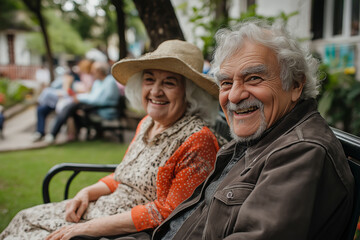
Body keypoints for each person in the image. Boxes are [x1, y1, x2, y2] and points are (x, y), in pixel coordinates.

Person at [120, 19, 353, 240]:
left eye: (253, 78)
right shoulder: (263, 135)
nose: (234, 96)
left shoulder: (301, 151)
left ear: (295, 85)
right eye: (227, 83)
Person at [0, 39, 226, 240]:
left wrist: (90, 228)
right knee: (25, 218)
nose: (155, 91)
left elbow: (168, 211)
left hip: (128, 230)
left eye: (169, 82)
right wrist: (87, 192)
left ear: (190, 93)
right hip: (104, 211)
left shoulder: (198, 140)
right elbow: (124, 175)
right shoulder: (147, 122)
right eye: (149, 79)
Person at [44, 61, 119, 143]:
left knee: (71, 106)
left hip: (105, 110)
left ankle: (53, 134)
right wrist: (78, 97)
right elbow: (92, 96)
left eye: (93, 71)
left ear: (99, 71)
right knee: (71, 107)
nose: (92, 73)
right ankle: (60, 134)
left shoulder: (109, 82)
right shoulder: (98, 82)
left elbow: (96, 100)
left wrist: (78, 98)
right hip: (95, 107)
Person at [32, 59, 94, 142]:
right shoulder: (73, 75)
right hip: (62, 99)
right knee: (41, 110)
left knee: (63, 111)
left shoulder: (86, 77)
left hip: (72, 100)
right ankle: (40, 132)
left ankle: (53, 134)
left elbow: (82, 91)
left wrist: (72, 92)